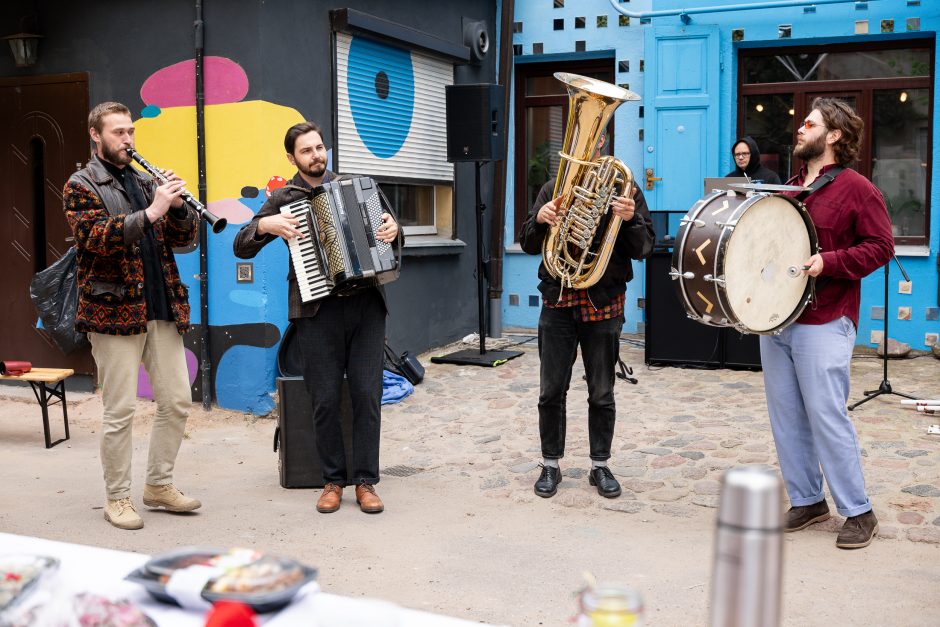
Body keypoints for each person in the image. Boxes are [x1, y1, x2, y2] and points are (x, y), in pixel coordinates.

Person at [233, 122, 399, 514]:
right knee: (323, 399)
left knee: (366, 395)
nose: (317, 156)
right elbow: (242, 245)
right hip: (316, 311)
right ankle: (332, 480)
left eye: (320, 148)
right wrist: (263, 224)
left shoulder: (357, 188)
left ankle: (365, 481)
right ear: (292, 158)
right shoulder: (283, 198)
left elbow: (390, 230)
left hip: (366, 306)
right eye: (307, 151)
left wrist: (396, 230)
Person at [761, 98, 894, 549]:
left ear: (833, 135)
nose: (800, 129)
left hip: (826, 318)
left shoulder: (858, 188)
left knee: (826, 416)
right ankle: (808, 500)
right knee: (786, 417)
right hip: (778, 320)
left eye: (810, 124)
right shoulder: (791, 188)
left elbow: (881, 246)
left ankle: (859, 511)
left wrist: (830, 261)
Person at [63, 102, 201, 530]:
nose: (127, 140)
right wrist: (155, 210)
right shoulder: (80, 184)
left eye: (130, 132)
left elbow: (184, 240)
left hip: (160, 307)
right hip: (113, 311)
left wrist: (178, 209)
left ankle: (158, 486)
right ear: (95, 135)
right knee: (119, 411)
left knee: (177, 402)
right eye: (119, 132)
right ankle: (117, 497)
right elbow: (96, 238)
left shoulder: (145, 181)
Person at [518, 137, 654, 499]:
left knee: (602, 391)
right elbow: (529, 244)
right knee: (550, 391)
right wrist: (539, 220)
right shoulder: (553, 187)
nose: (585, 152)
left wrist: (629, 220)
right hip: (559, 302)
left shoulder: (624, 189)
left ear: (603, 147)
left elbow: (644, 247)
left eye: (592, 145)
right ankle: (550, 463)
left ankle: (600, 465)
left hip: (603, 303)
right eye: (579, 144)